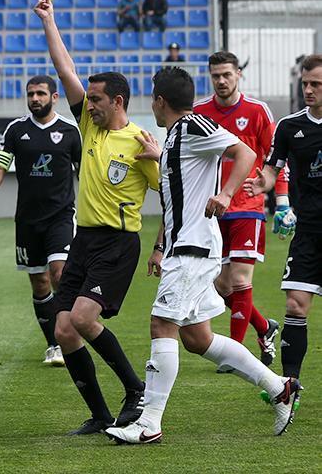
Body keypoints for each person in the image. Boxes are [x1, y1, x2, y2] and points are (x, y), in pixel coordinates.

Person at [104, 67, 301, 444]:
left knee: (162, 324)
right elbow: (184, 189)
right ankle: (280, 388)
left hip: (193, 249)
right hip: (184, 247)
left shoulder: (194, 125)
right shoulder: (177, 137)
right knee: (197, 338)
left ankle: (149, 423)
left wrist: (226, 194)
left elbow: (244, 152)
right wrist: (160, 159)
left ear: (159, 101)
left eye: (152, 98)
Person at [35, 0, 160, 436]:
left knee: (84, 319)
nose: (87, 105)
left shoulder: (141, 141)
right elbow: (65, 70)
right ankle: (101, 416)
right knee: (64, 329)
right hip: (84, 240)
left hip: (118, 243)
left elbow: (173, 194)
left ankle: (136, 389)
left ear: (117, 101)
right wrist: (49, 21)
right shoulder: (89, 126)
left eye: (96, 100)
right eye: (88, 99)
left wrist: (161, 245)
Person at [193, 51, 288, 370]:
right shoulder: (199, 112)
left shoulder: (257, 111)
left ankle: (233, 355)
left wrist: (282, 201)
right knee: (219, 285)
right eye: (216, 76)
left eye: (227, 75)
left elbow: (276, 158)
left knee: (239, 279)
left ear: (238, 75)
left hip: (247, 205)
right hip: (212, 208)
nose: (221, 81)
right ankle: (264, 327)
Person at [0, 75, 82, 367]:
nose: (35, 98)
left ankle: (69, 337)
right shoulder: (17, 129)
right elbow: (2, 161)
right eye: (30, 94)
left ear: (54, 97)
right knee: (40, 283)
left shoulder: (70, 131)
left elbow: (85, 169)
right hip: (27, 220)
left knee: (59, 275)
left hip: (62, 215)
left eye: (40, 93)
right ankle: (54, 344)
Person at [245, 54, 322, 402]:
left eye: (316, 84)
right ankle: (290, 387)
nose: (308, 90)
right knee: (295, 305)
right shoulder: (290, 126)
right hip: (308, 233)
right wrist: (263, 183)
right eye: (305, 83)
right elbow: (272, 168)